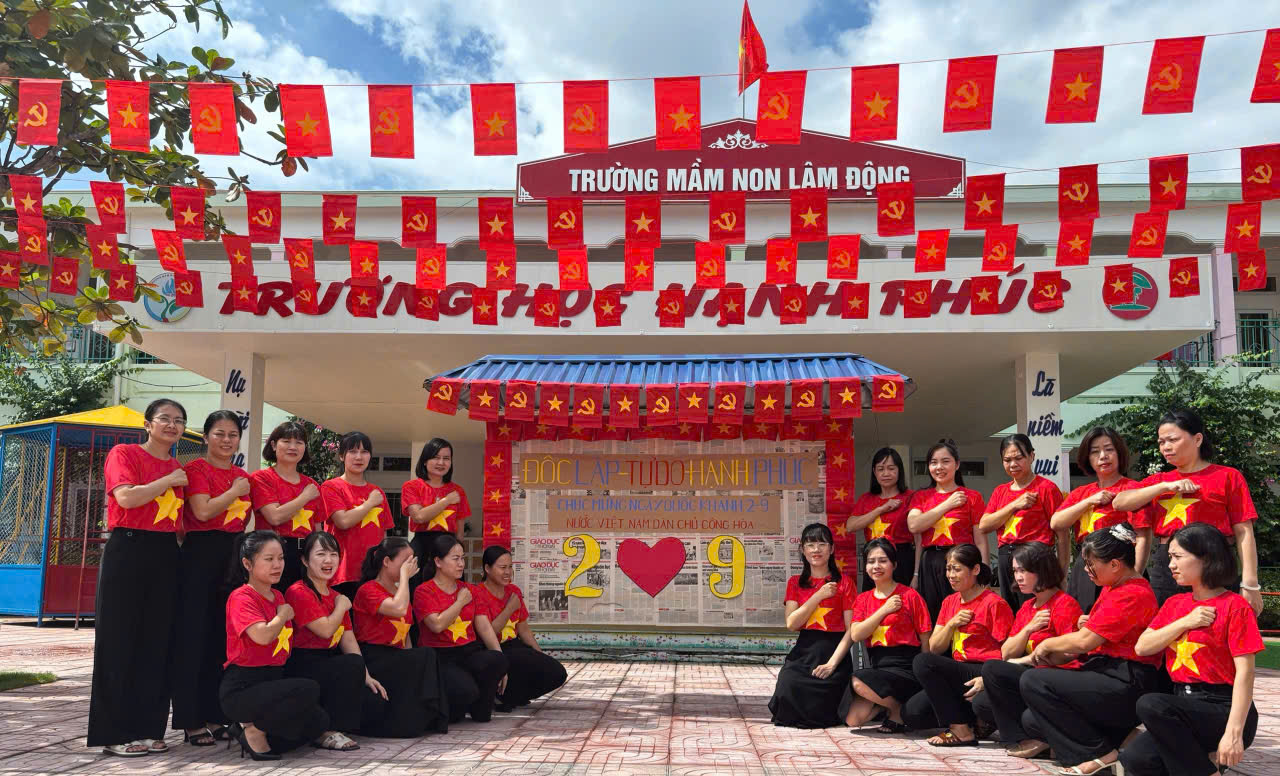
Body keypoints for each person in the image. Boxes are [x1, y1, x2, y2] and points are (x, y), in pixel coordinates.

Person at [1121, 523, 1264, 776]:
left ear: (1206, 558)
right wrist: (1185, 622)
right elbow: (1143, 647)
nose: (1171, 565)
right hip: (1182, 708)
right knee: (1136, 759)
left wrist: (1233, 733)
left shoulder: (1235, 606)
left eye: (1177, 557)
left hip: (1223, 708)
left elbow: (1246, 673)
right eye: (1170, 557)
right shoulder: (1175, 604)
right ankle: (1204, 765)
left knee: (1152, 704)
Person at [1019, 523, 1162, 776]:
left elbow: (1086, 641)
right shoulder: (1113, 587)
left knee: (1034, 681)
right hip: (1105, 671)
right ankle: (1119, 739)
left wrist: (1047, 644)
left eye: (1090, 564)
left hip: (1126, 680)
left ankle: (1096, 753)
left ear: (1115, 565)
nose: (1086, 570)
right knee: (1032, 719)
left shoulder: (1132, 593)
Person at [89, 398, 188, 757]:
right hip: (128, 549)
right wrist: (168, 481)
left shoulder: (177, 465)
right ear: (148, 424)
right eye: (165, 419)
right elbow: (127, 499)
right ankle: (113, 733)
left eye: (179, 420)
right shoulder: (125, 454)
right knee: (118, 641)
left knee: (157, 643)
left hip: (166, 553)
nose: (172, 425)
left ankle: (148, 729)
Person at [1111, 410, 1261, 613]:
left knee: (1216, 624)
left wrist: (1250, 583)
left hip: (1214, 562)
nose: (1166, 447)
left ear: (1197, 439)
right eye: (1161, 442)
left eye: (1173, 439)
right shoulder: (1158, 481)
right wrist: (1164, 487)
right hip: (1168, 564)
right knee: (1165, 624)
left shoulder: (1228, 476)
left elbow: (1244, 531)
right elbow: (1120, 502)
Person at [170, 411, 250, 747]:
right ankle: (190, 720)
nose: (227, 440)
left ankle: (218, 715)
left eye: (233, 435)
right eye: (219, 433)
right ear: (205, 437)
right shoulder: (196, 470)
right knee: (194, 638)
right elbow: (202, 511)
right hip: (200, 555)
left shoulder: (242, 475)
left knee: (223, 639)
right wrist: (235, 491)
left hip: (233, 557)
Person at [219, 531, 329, 760]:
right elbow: (262, 636)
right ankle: (255, 731)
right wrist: (283, 615)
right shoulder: (242, 597)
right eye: (269, 559)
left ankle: (245, 730)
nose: (277, 565)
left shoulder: (277, 595)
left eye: (281, 558)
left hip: (271, 681)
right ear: (247, 564)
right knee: (307, 688)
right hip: (243, 687)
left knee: (318, 721)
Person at [977, 542, 1082, 760]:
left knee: (992, 670)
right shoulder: (1027, 607)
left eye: (1023, 570)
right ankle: (1038, 736)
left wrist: (1024, 660)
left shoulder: (1064, 604)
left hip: (1053, 679)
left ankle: (1027, 738)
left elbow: (1070, 654)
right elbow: (1006, 652)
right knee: (982, 703)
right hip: (1029, 674)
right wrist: (1028, 629)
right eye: (1015, 571)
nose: (1018, 577)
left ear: (1042, 570)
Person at [284, 531, 385, 751]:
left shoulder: (335, 595)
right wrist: (340, 606)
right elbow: (325, 630)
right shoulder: (298, 591)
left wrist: (366, 675)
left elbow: (348, 639)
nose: (328, 560)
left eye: (333, 554)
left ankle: (336, 725)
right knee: (350, 664)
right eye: (321, 554)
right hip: (303, 663)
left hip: (328, 661)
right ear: (305, 560)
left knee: (376, 700)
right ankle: (326, 731)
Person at [905, 544, 1013, 747]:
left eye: (957, 569)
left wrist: (987, 679)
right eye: (948, 569)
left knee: (923, 662)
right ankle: (972, 720)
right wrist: (951, 624)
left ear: (976, 569)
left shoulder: (994, 603)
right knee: (913, 714)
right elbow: (935, 647)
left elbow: (1009, 651)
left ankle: (960, 730)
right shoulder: (949, 602)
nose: (950, 575)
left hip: (983, 670)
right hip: (959, 670)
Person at [352, 537, 450, 736]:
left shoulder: (401, 592)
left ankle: (427, 716)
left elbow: (405, 634)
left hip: (396, 656)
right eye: (406, 561)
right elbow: (398, 608)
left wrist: (414, 667)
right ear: (386, 561)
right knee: (426, 655)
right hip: (374, 656)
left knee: (422, 658)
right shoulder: (368, 590)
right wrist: (405, 578)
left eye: (412, 561)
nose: (410, 566)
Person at [834, 539, 932, 732]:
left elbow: (925, 639)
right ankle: (893, 706)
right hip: (878, 667)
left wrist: (925, 675)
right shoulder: (863, 599)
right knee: (853, 720)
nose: (876, 566)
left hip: (906, 667)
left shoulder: (910, 595)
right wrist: (884, 610)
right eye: (871, 561)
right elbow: (856, 634)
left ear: (894, 565)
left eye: (883, 561)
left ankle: (895, 712)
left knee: (858, 682)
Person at [1050, 427, 1150, 612]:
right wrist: (1089, 501)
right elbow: (1056, 522)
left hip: (1118, 567)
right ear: (1087, 458)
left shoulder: (1133, 489)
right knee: (1081, 620)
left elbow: (1143, 536)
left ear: (1119, 453)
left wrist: (1133, 578)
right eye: (1095, 452)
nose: (1103, 456)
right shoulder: (1081, 493)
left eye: (1109, 449)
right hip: (1084, 567)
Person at [768, 523, 856, 729]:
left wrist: (832, 664)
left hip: (834, 650)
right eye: (810, 544)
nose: (816, 550)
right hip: (804, 650)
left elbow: (851, 629)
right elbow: (792, 623)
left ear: (831, 549)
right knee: (788, 685)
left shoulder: (845, 583)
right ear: (802, 550)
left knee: (822, 707)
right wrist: (818, 595)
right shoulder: (795, 582)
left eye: (822, 544)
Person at [414, 534, 510, 723]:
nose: (461, 564)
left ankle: (478, 707)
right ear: (438, 562)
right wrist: (459, 602)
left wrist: (502, 667)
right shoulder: (424, 591)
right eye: (455, 559)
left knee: (497, 659)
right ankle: (452, 706)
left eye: (463, 559)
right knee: (466, 692)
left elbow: (484, 626)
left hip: (468, 651)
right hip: (441, 655)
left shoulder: (470, 590)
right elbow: (437, 625)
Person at [978, 434, 1066, 612]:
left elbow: (1062, 535)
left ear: (1032, 456)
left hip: (1035, 558)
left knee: (1037, 612)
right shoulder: (1000, 491)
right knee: (1010, 612)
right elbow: (984, 525)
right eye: (1007, 460)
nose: (1013, 464)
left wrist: (1062, 574)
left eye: (1019, 458)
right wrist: (1014, 505)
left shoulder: (1046, 488)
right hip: (1006, 558)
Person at [474, 545, 568, 709]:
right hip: (491, 648)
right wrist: (509, 608)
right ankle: (500, 695)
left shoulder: (514, 591)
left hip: (514, 645)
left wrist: (540, 655)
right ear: (487, 569)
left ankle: (510, 697)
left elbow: (523, 629)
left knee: (556, 672)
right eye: (502, 567)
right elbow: (489, 632)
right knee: (521, 659)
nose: (508, 572)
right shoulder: (478, 593)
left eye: (510, 567)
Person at [906, 439, 987, 621]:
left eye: (945, 461)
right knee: (932, 617)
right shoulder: (921, 497)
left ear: (957, 464)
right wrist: (947, 504)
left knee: (963, 614)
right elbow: (914, 525)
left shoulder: (972, 497)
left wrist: (983, 574)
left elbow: (980, 541)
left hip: (962, 562)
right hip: (930, 562)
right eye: (933, 462)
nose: (939, 467)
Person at [249, 421, 329, 590]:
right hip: (272, 553)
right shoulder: (261, 478)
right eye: (286, 441)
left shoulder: (312, 485)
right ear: (273, 445)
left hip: (305, 555)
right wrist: (305, 496)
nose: (293, 447)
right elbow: (275, 516)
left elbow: (317, 528)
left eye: (299, 442)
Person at [320, 431, 393, 599]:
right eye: (352, 451)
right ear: (341, 456)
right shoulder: (331, 487)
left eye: (364, 451)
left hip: (373, 573)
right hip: (342, 573)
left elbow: (384, 535)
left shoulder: (377, 492)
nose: (359, 457)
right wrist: (369, 503)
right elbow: (343, 521)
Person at [846, 448, 917, 591]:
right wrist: (881, 509)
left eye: (891, 468)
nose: (886, 473)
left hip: (902, 558)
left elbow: (919, 537)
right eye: (880, 469)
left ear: (899, 470)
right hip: (874, 558)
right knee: (872, 600)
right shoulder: (866, 499)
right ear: (874, 472)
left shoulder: (911, 496)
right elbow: (850, 526)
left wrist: (916, 574)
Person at [403, 438, 471, 586]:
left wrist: (457, 555)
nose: (441, 462)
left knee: (453, 591)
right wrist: (446, 501)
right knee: (417, 590)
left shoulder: (458, 490)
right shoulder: (412, 486)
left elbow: (460, 532)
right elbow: (419, 516)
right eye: (435, 457)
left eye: (446, 458)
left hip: (450, 548)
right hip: (422, 546)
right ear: (425, 460)